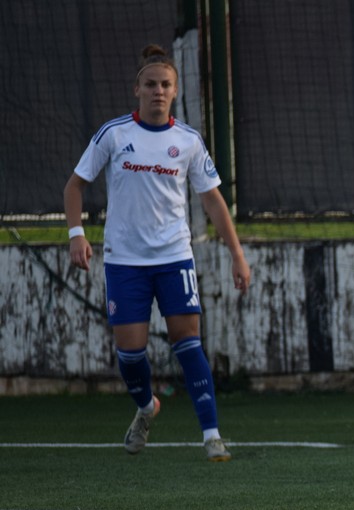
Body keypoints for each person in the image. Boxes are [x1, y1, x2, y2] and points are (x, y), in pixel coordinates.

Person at [64, 44, 251, 461]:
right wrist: (77, 234)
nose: (158, 91)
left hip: (174, 257)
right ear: (137, 89)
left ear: (175, 90)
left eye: (165, 84)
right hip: (124, 261)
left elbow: (213, 200)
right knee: (130, 354)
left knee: (189, 344)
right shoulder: (114, 134)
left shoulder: (188, 141)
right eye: (150, 84)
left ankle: (212, 436)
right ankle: (147, 407)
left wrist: (237, 254)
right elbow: (74, 186)